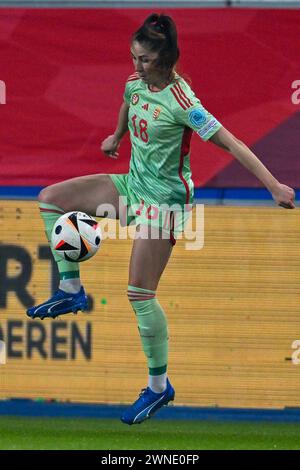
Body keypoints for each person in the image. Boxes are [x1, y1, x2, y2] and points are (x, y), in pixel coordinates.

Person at [27, 13, 295, 425]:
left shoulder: (184, 102)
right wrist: (117, 137)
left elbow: (232, 142)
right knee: (50, 200)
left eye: (146, 60)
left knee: (138, 294)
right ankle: (71, 289)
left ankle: (157, 388)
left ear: (167, 60)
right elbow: (128, 101)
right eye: (134, 57)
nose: (137, 66)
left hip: (165, 205)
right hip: (133, 187)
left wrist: (274, 186)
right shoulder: (134, 84)